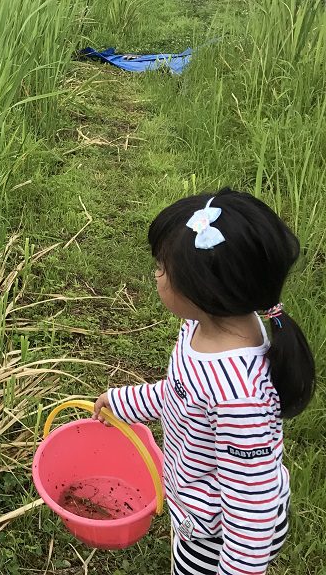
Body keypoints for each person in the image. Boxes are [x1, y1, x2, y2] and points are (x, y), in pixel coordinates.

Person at [93, 189, 316, 575]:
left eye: (162, 267)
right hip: (200, 511)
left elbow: (252, 512)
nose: (155, 274)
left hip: (223, 535)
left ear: (203, 289)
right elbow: (179, 392)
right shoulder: (201, 327)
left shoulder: (239, 399)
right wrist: (125, 402)